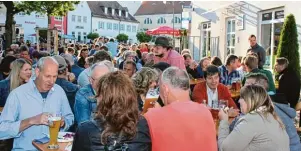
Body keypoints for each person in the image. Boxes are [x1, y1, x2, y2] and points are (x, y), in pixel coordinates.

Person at [0, 57, 74, 150]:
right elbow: (2, 130)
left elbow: (69, 117)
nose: (51, 81)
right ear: (38, 72)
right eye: (47, 76)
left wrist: (63, 123)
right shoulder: (17, 94)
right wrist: (31, 121)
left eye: (54, 76)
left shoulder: (59, 91)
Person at [72, 71, 151, 151]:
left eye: (98, 95)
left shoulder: (86, 129)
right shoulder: (143, 124)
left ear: (102, 98)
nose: (97, 98)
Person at [144, 67, 217, 151]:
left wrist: (151, 109)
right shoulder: (206, 112)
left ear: (165, 89)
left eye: (159, 90)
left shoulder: (152, 116)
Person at [239, 73, 301, 151]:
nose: (243, 88)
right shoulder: (269, 101)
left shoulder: (265, 107)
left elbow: (243, 131)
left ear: (256, 89)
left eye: (247, 85)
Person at [218, 85, 289, 151]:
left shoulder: (251, 120)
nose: (239, 101)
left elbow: (224, 148)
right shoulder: (271, 116)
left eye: (242, 98)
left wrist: (224, 121)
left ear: (249, 100)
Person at [74, 60, 114, 125]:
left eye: (106, 79)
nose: (103, 83)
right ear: (90, 80)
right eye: (99, 80)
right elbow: (84, 125)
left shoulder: (115, 92)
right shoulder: (83, 94)